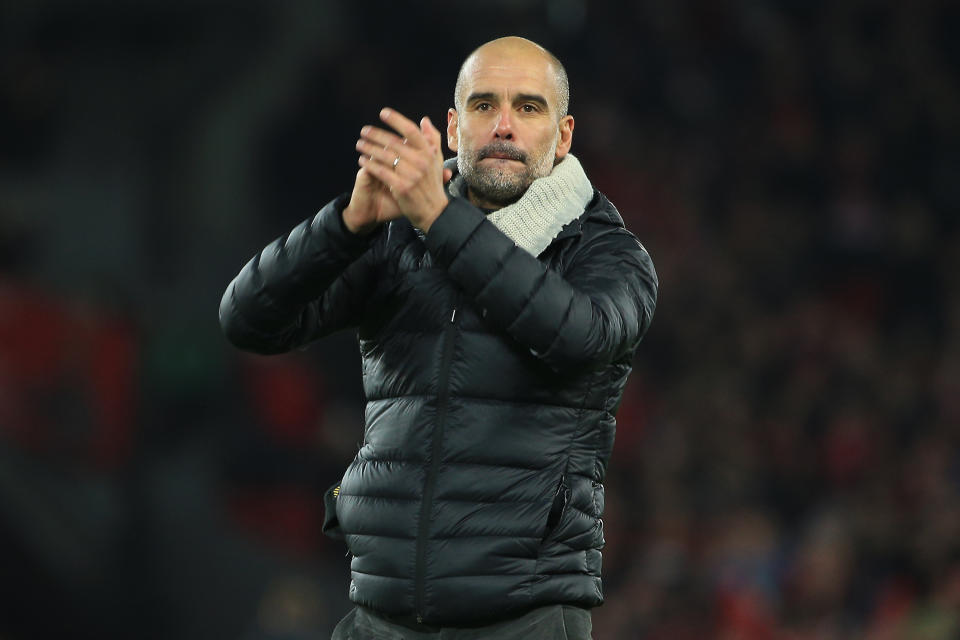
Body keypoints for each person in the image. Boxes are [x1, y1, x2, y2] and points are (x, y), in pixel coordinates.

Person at [220, 36, 658, 639]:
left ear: (563, 135)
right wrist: (346, 224)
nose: (503, 125)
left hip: (522, 621)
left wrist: (438, 220)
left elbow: (575, 335)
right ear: (454, 128)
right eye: (483, 105)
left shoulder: (609, 254)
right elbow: (248, 321)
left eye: (528, 108)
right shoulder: (395, 239)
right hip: (380, 614)